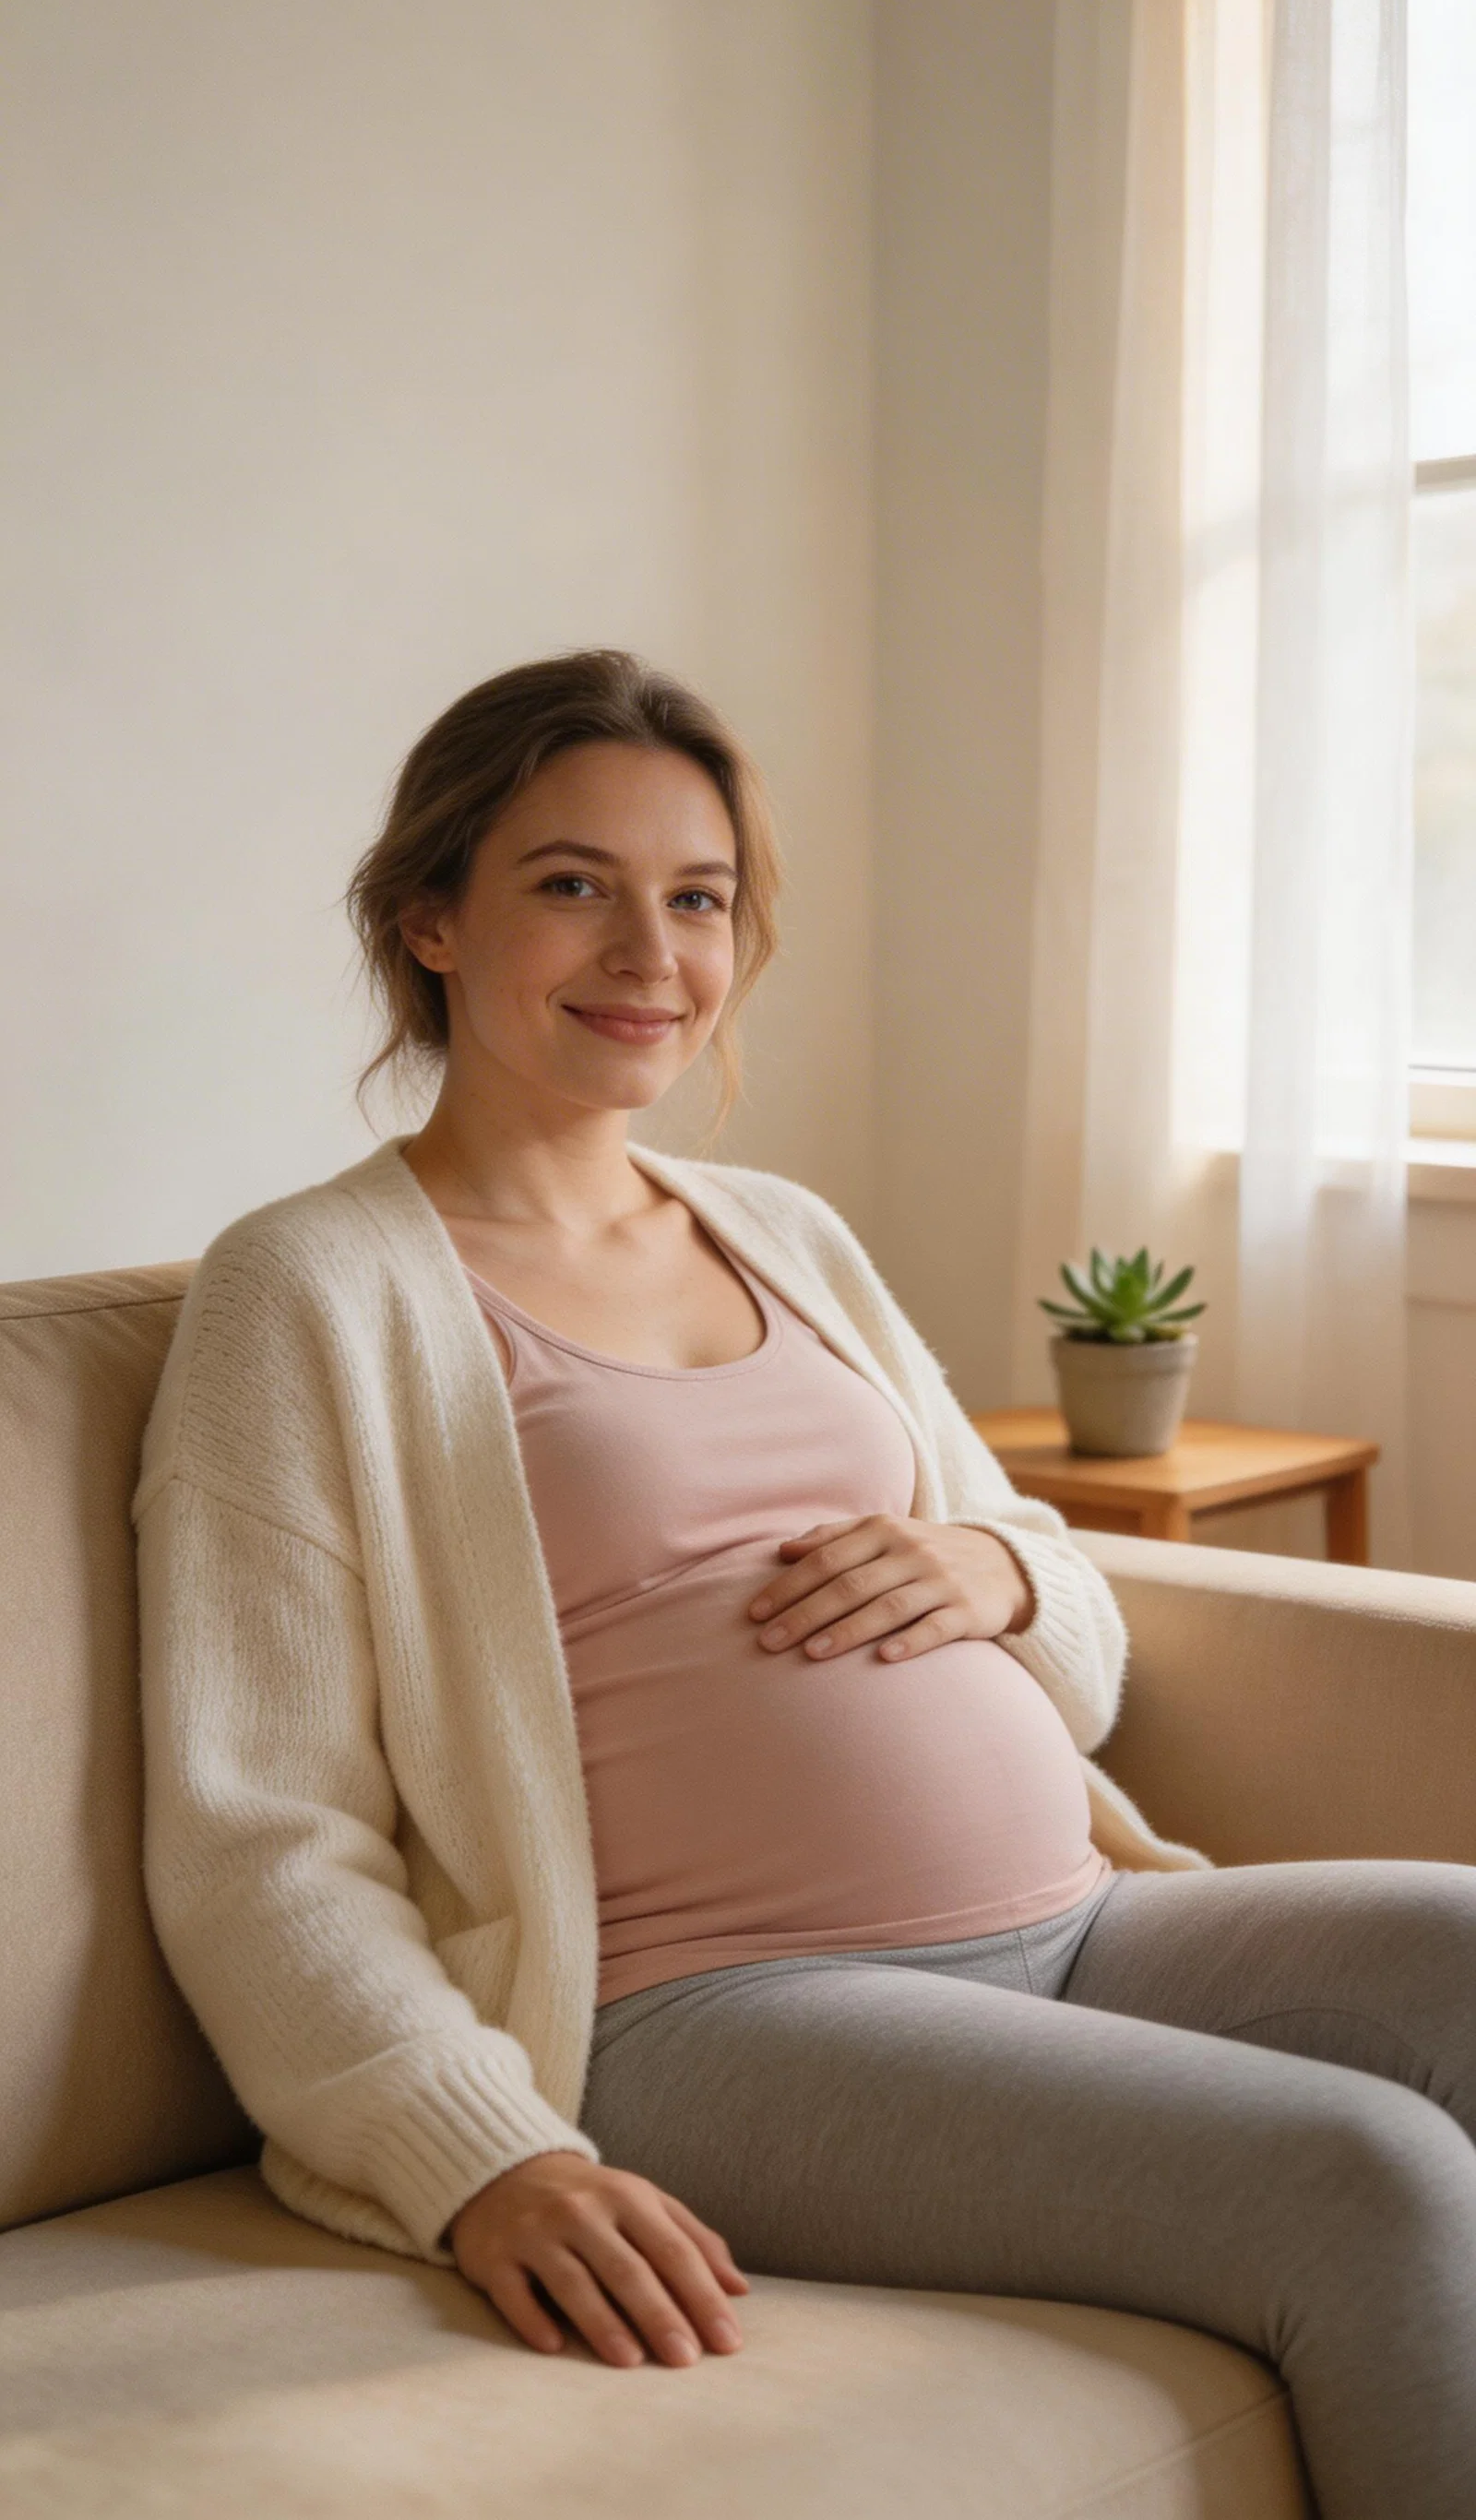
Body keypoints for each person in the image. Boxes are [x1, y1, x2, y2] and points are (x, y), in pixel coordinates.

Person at [134, 648, 1476, 2520]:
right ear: (430, 918)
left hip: (1078, 1924)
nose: (650, 953)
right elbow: (257, 1832)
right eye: (573, 885)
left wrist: (998, 1574)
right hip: (702, 2019)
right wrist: (482, 2154)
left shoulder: (783, 1232)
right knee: (1365, 2176)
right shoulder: (309, 1290)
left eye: (697, 899)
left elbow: (1069, 1627)